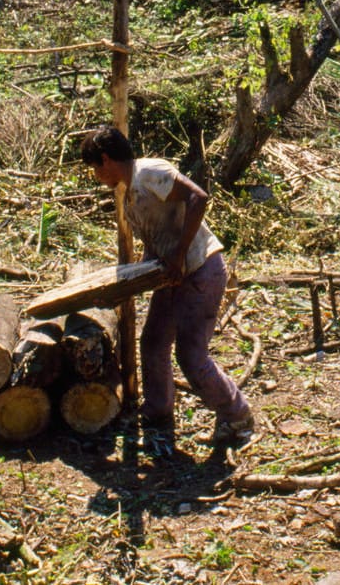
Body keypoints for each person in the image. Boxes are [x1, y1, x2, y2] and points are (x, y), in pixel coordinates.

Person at [80, 124, 257, 451]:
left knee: (191, 356)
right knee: (154, 343)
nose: (95, 175)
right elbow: (157, 237)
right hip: (173, 274)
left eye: (95, 167)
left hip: (200, 269)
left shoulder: (149, 173)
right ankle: (158, 417)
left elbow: (198, 197)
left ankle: (238, 415)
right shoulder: (130, 190)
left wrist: (178, 253)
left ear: (106, 159)